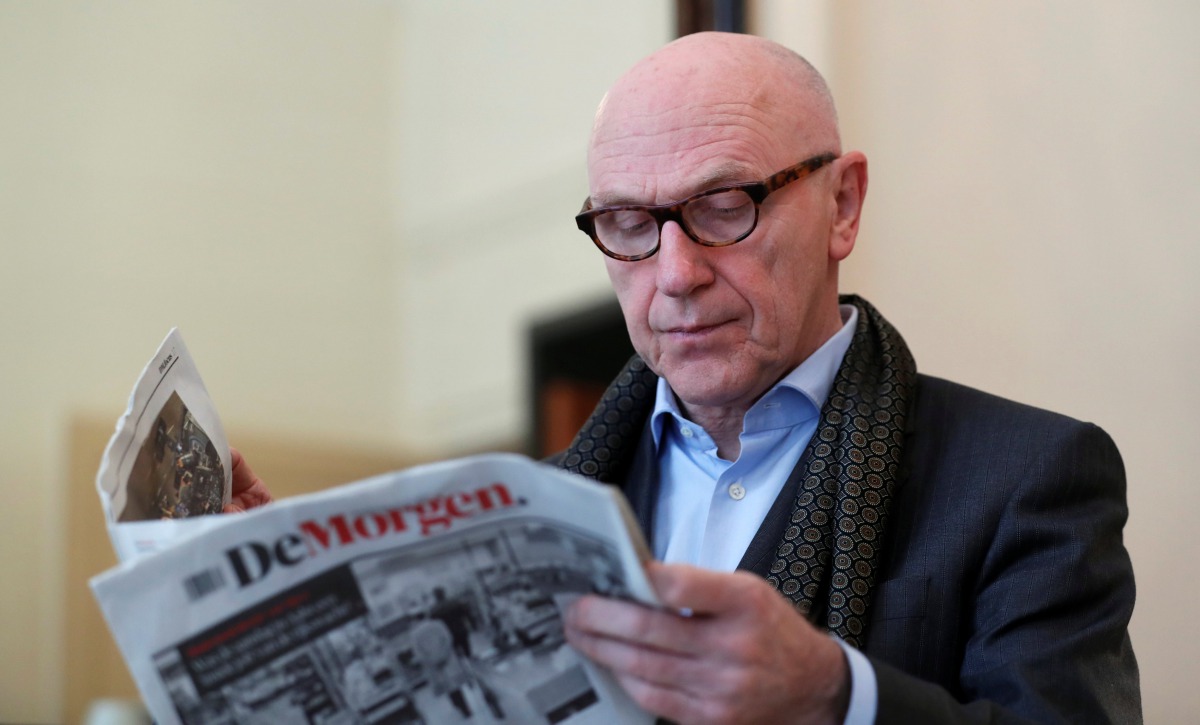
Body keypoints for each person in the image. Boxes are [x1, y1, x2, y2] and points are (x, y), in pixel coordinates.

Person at [229, 32, 1140, 724]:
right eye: (627, 223)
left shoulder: (1031, 478)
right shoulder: (532, 508)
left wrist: (836, 693)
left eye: (723, 205)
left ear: (843, 204)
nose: (673, 274)